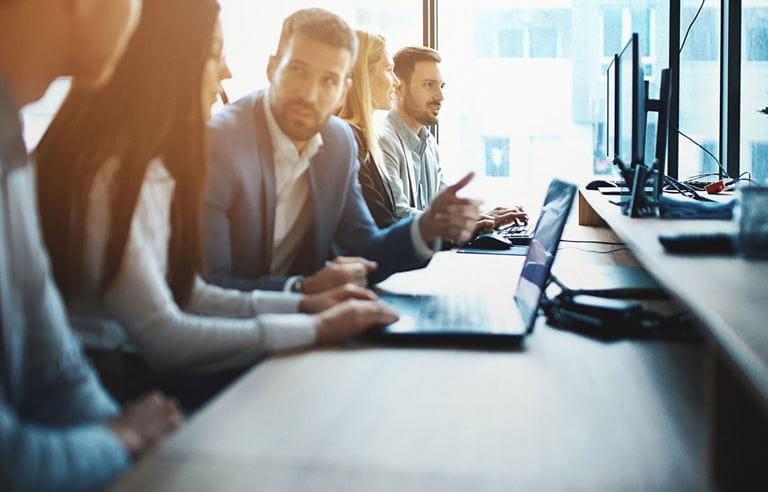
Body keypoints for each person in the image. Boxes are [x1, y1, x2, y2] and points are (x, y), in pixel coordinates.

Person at [35, 0, 396, 409]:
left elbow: (187, 294)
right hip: (108, 376)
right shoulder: (108, 171)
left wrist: (304, 304)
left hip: (131, 365)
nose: (226, 71)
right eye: (213, 53)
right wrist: (313, 326)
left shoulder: (147, 163)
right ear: (167, 62)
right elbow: (164, 335)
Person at [0, 0, 182, 490]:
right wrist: (120, 439)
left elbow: (56, 366)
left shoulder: (9, 135)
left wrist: (134, 443)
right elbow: (9, 463)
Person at [203, 8, 481, 294]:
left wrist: (425, 228)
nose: (310, 95)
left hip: (315, 321)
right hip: (240, 329)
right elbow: (208, 287)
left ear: (344, 90)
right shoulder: (219, 143)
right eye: (298, 71)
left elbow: (362, 249)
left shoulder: (339, 141)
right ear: (272, 68)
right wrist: (302, 290)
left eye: (328, 81)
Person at [379, 46, 528, 231]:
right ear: (399, 88)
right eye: (428, 84)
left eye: (441, 86)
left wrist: (484, 216)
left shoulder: (429, 143)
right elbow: (397, 214)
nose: (440, 96)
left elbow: (444, 211)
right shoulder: (384, 141)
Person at [338, 30, 399, 228]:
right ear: (364, 74)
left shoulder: (360, 136)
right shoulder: (347, 140)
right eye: (389, 69)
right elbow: (381, 223)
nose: (397, 83)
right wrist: (452, 233)